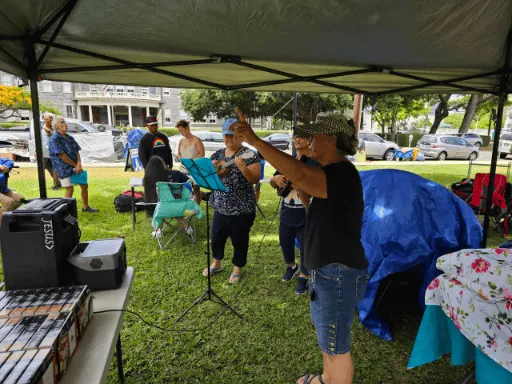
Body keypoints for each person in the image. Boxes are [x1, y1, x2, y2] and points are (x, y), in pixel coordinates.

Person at [231, 110, 368, 384]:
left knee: (335, 348)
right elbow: (312, 205)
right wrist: (299, 182)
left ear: (328, 140)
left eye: (313, 136)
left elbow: (302, 174)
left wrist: (256, 142)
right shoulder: (327, 174)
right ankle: (325, 379)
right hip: (327, 270)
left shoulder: (341, 172)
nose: (307, 140)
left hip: (337, 273)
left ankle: (331, 379)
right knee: (328, 342)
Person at [203, 118, 261, 284]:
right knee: (216, 237)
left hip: (242, 208)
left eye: (231, 135)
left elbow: (255, 178)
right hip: (220, 206)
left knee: (239, 239)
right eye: (225, 136)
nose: (228, 139)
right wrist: (213, 170)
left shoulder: (249, 154)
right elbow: (208, 178)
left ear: (240, 137)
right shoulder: (218, 155)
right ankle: (217, 263)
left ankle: (237, 268)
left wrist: (243, 168)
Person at [270, 132, 318, 295]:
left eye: (302, 136)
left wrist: (303, 185)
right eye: (296, 136)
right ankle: (292, 266)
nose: (297, 139)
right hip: (286, 210)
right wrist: (275, 180)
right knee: (285, 242)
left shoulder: (315, 162)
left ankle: (304, 275)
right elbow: (273, 180)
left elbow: (317, 187)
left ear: (310, 140)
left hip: (305, 212)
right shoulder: (288, 160)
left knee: (305, 247)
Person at [48, 117, 99, 213]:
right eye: (62, 123)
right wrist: (75, 165)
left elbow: (77, 152)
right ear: (56, 126)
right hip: (64, 168)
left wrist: (78, 164)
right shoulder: (54, 140)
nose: (65, 124)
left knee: (84, 185)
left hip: (75, 166)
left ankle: (86, 207)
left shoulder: (69, 138)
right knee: (69, 189)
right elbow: (62, 156)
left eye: (65, 122)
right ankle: (63, 211)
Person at [143, 155, 194, 236]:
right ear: (163, 164)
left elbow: (150, 196)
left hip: (160, 209)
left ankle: (158, 230)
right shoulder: (175, 174)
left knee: (162, 206)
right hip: (180, 206)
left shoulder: (147, 179)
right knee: (173, 206)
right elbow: (190, 182)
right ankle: (187, 227)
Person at [176, 120, 204, 204]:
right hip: (183, 169)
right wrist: (181, 158)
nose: (181, 132)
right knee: (183, 188)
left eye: (182, 130)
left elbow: (202, 154)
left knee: (196, 188)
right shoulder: (181, 141)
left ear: (187, 128)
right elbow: (178, 153)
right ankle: (185, 205)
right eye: (179, 131)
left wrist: (191, 161)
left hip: (194, 168)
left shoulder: (197, 140)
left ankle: (197, 207)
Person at [40, 113, 61, 190]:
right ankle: (58, 183)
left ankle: (56, 186)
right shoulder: (41, 129)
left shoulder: (55, 128)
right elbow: (38, 140)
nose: (46, 121)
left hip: (54, 151)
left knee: (54, 168)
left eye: (48, 119)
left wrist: (50, 134)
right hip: (44, 151)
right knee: (47, 168)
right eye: (45, 119)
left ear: (52, 119)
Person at [0, 158, 24, 222]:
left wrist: (5, 167)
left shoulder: (1, 161)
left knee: (20, 199)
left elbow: (9, 161)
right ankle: (2, 224)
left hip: (3, 189)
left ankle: (7, 218)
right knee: (8, 202)